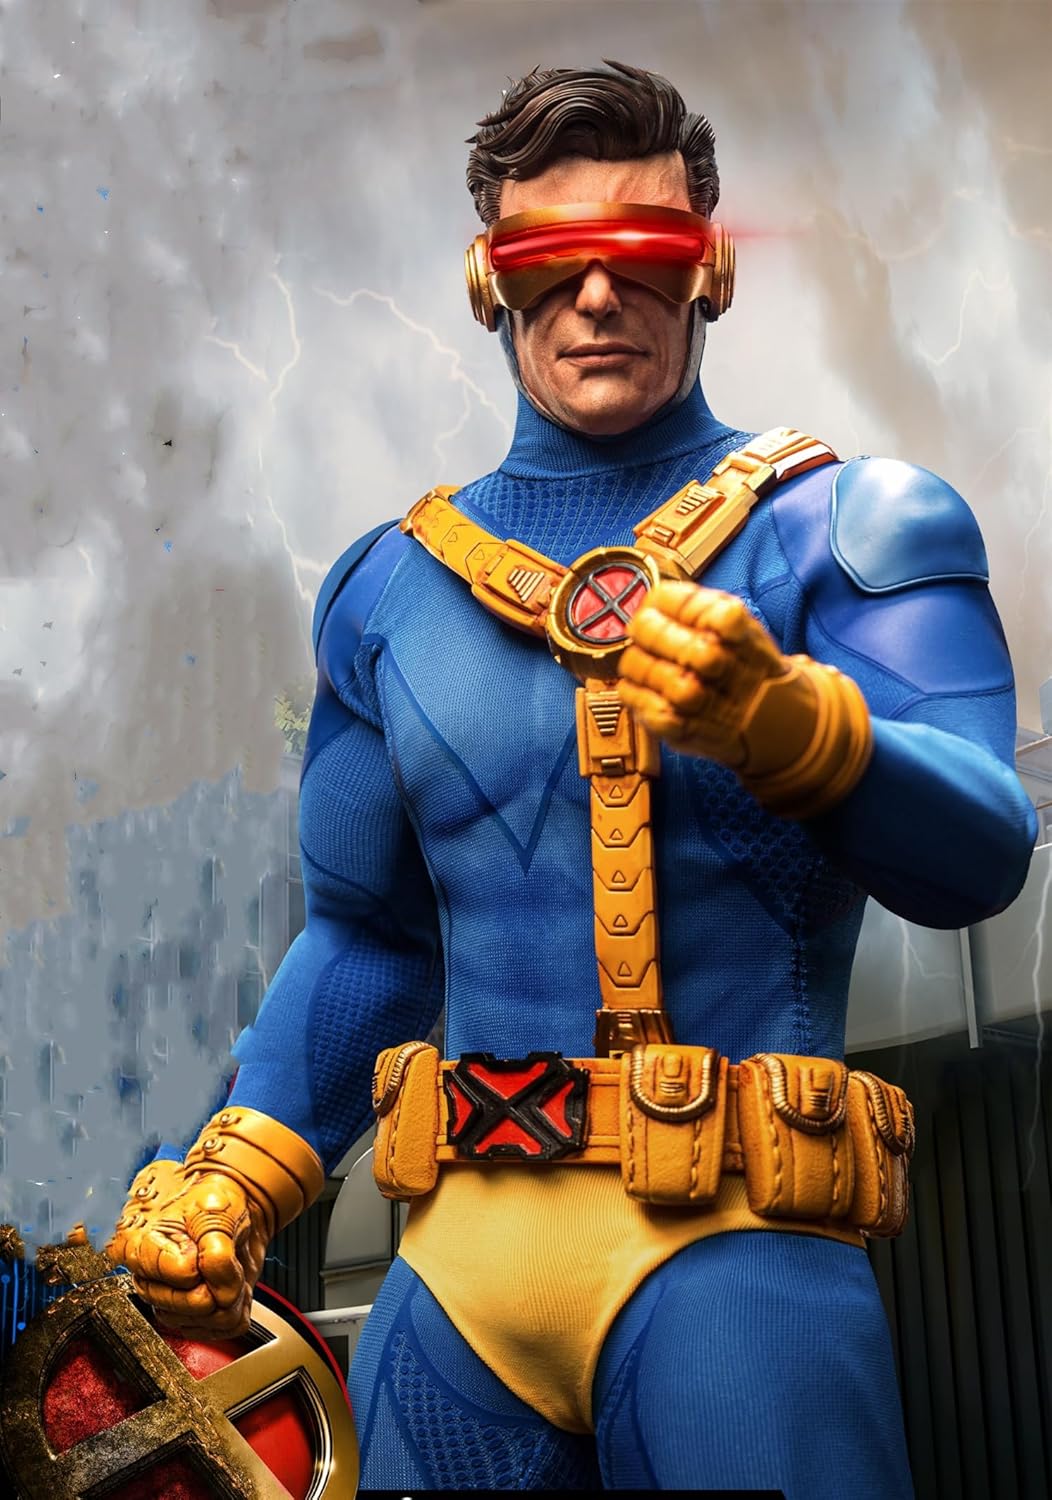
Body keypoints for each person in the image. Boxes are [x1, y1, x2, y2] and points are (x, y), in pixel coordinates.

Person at [107, 61, 1037, 1495]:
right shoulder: (388, 591)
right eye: (554, 256)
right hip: (457, 1279)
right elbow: (369, 940)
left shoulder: (849, 526)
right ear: (491, 278)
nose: (598, 294)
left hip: (735, 1254)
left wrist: (801, 730)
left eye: (642, 250)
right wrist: (234, 1176)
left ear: (709, 267)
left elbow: (982, 850)